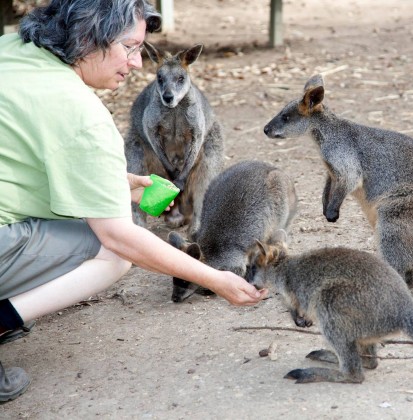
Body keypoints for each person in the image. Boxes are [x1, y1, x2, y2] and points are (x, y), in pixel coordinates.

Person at [0, 0, 267, 402]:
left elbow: (27, 159)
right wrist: (215, 278)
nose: (138, 63)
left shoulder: (13, 49)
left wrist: (116, 183)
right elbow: (120, 238)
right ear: (90, 39)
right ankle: (4, 317)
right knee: (111, 253)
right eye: (129, 47)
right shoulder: (83, 115)